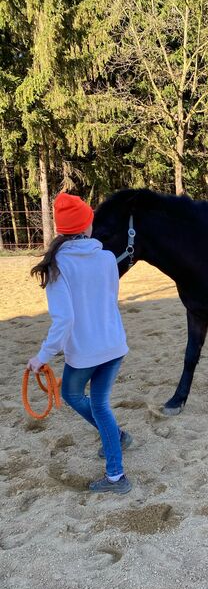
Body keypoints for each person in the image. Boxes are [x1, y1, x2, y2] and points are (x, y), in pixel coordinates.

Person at [27, 192, 132, 494]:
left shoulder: (57, 266)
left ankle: (116, 476)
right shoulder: (107, 258)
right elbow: (110, 300)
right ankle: (116, 437)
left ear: (61, 230)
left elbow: (64, 320)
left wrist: (41, 357)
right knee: (100, 405)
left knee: (78, 397)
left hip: (86, 352)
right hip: (114, 345)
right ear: (88, 225)